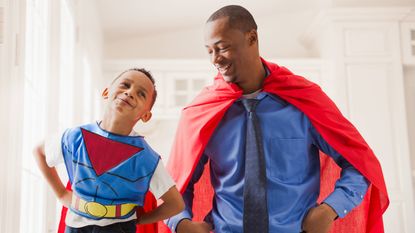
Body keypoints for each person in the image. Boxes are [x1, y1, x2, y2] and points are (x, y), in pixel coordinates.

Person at [166, 5, 389, 233]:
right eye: (209, 51)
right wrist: (180, 222)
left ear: (252, 38)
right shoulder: (202, 112)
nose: (215, 59)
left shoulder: (304, 101)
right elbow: (173, 184)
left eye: (222, 48)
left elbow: (361, 164)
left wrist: (330, 209)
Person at [33, 68, 185, 233]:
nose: (129, 93)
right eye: (125, 85)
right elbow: (39, 151)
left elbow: (175, 204)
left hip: (119, 228)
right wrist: (61, 193)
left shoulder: (146, 158)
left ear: (146, 115)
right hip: (75, 225)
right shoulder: (76, 136)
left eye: (141, 94)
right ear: (106, 92)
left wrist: (141, 219)